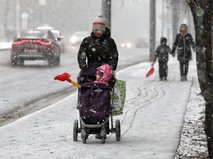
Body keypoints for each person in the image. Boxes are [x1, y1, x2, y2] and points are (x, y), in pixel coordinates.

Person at [77, 15, 119, 85]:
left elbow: (114, 55)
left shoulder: (109, 42)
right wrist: (83, 67)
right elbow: (81, 55)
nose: (98, 32)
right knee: (84, 83)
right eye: (96, 30)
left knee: (107, 86)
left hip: (105, 71)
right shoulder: (87, 41)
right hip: (90, 70)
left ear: (104, 30)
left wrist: (111, 68)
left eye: (100, 30)